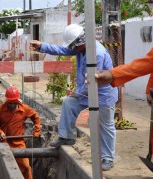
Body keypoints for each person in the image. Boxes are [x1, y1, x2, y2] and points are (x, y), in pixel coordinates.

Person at [30, 24, 118, 171]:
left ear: (81, 42)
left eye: (73, 46)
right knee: (69, 103)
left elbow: (93, 80)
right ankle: (67, 137)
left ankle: (107, 158)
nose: (71, 49)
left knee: (105, 126)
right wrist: (42, 46)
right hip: (85, 93)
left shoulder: (97, 54)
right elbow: (61, 49)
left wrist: (78, 92)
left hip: (102, 95)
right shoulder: (81, 49)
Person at [0, 86, 41, 179]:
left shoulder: (24, 109)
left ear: (18, 100)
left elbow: (36, 118)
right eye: (10, 103)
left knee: (26, 167)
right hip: (3, 142)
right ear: (7, 100)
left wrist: (37, 131)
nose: (12, 105)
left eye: (14, 103)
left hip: (19, 143)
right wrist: (0, 132)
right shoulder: (0, 109)